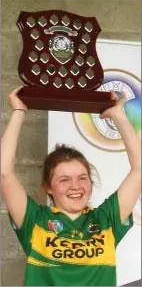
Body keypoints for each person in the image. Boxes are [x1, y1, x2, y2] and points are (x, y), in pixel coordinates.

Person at [1, 86, 141, 286]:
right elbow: (4, 173)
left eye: (82, 178)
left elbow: (139, 170)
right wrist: (18, 111)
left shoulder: (106, 220)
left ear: (91, 183)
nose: (75, 186)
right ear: (48, 187)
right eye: (64, 180)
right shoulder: (35, 221)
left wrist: (119, 115)